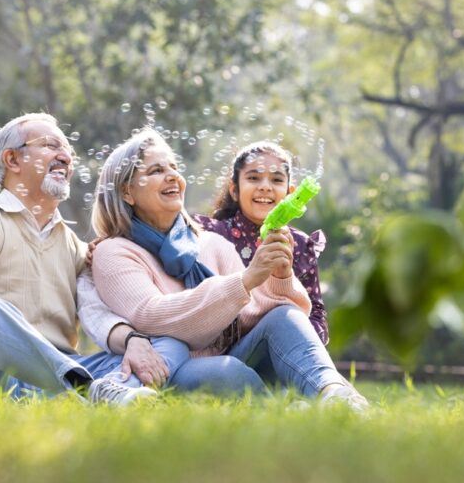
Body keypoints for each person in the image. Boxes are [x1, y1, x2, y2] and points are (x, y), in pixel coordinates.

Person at [85, 127, 368, 409]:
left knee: (285, 316)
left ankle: (336, 395)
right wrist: (244, 281)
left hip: (231, 356)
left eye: (174, 166)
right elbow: (151, 316)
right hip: (166, 368)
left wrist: (280, 277)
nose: (173, 176)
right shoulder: (113, 252)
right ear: (127, 191)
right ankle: (287, 410)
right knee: (228, 373)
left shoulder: (210, 243)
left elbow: (251, 316)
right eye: (156, 170)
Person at [0, 113, 188, 404]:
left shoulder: (76, 248)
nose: (65, 157)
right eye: (50, 145)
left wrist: (135, 341)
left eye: (68, 151)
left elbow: (96, 316)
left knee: (167, 345)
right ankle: (89, 391)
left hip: (52, 375)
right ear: (12, 160)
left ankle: (99, 393)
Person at [196, 141, 330, 345]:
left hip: (282, 350)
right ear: (234, 190)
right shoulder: (212, 234)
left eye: (276, 180)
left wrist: (302, 340)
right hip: (222, 351)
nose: (265, 187)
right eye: (253, 178)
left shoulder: (300, 245)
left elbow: (316, 315)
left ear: (290, 192)